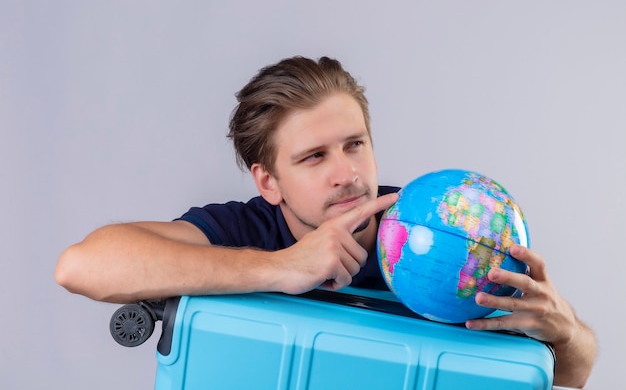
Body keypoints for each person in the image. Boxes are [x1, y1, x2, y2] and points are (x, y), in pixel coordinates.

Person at [55, 55, 596, 388]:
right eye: (314, 157)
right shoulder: (246, 232)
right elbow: (82, 267)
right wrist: (280, 269)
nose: (347, 174)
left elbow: (573, 373)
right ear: (268, 182)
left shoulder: (446, 234)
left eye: (354, 145)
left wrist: (566, 333)